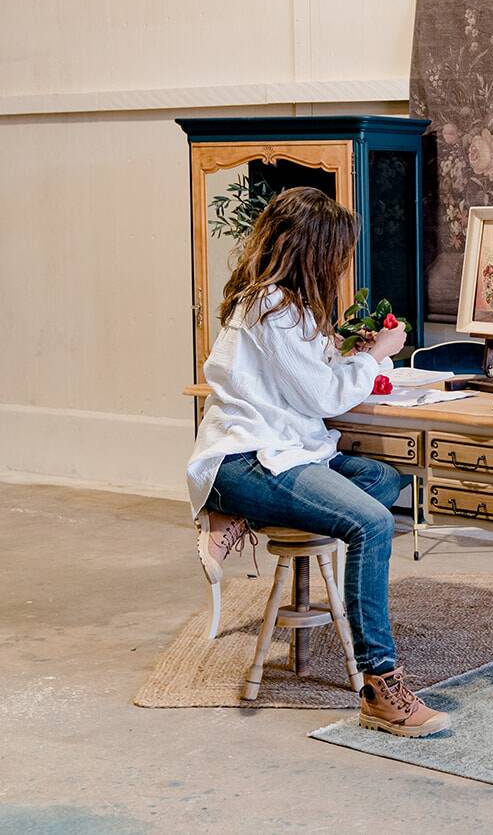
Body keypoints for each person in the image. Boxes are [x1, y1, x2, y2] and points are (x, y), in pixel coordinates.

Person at [187, 187, 448, 737]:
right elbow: (324, 396)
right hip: (247, 458)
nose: (342, 264)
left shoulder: (288, 307)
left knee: (382, 477)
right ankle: (380, 686)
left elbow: (314, 377)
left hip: (285, 454)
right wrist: (377, 355)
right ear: (314, 251)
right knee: (371, 523)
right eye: (338, 253)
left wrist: (355, 352)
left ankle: (240, 513)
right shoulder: (271, 308)